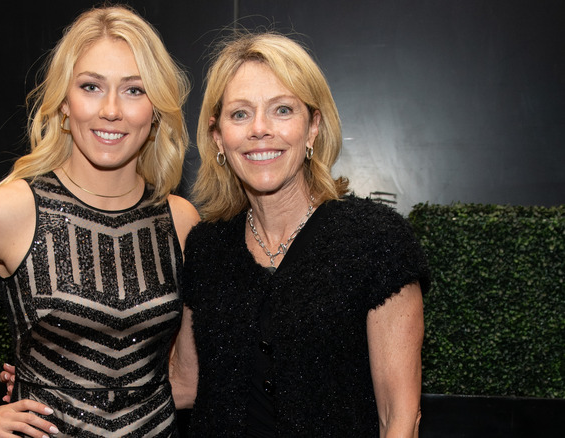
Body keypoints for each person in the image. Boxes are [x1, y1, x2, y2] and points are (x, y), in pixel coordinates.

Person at [0, 5, 199, 438]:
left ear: (156, 110)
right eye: (90, 86)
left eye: (134, 90)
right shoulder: (6, 211)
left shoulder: (179, 220)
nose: (110, 110)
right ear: (64, 104)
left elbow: (182, 379)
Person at [172, 32, 430, 437]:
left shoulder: (375, 241)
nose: (260, 129)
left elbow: (398, 417)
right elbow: (184, 384)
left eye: (282, 110)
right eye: (240, 114)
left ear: (313, 127)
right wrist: (60, 395)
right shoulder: (207, 248)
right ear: (218, 136)